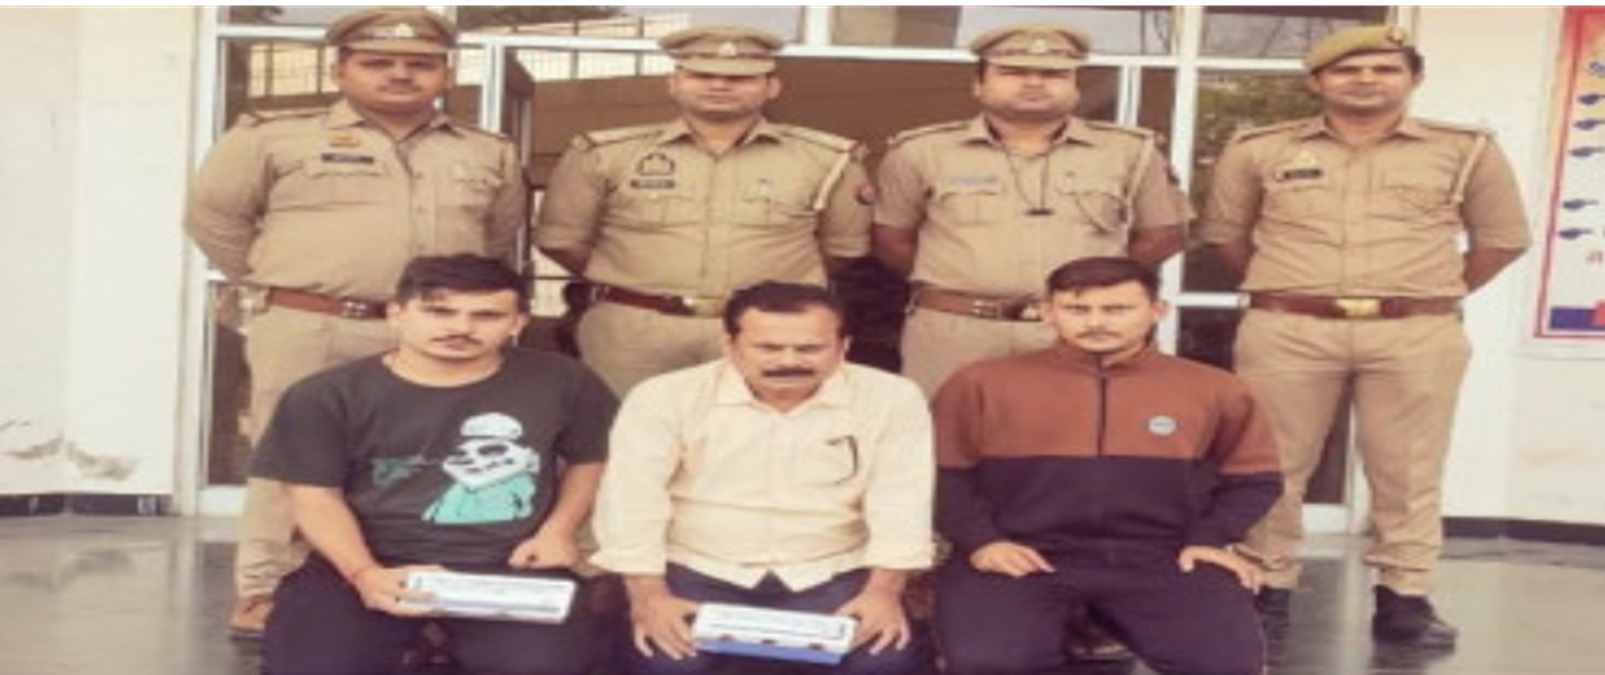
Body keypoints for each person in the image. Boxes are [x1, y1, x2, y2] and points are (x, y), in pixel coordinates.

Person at [183, 7, 528, 638]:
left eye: (420, 63)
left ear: (445, 72)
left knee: (430, 456)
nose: (401, 74)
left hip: (437, 331)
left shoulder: (486, 150)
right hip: (315, 324)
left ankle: (426, 579)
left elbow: (496, 238)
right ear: (339, 70)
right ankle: (267, 587)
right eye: (378, 61)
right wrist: (282, 280)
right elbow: (213, 218)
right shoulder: (273, 138)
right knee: (289, 459)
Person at [1198, 25, 1532, 648]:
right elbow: (1225, 235)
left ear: (1414, 78)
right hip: (1289, 328)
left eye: (1385, 68)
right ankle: (1266, 584)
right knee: (1271, 461)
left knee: (1408, 468)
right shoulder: (1259, 149)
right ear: (1317, 82)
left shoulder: (1466, 151)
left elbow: (1504, 238)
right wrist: (1291, 290)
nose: (1366, 79)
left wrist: (1429, 291)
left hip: (1414, 331)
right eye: (1348, 70)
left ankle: (1405, 596)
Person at [249, 254, 617, 675]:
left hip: (510, 562)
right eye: (439, 312)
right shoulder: (325, 395)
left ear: (518, 323)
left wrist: (559, 531)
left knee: (545, 667)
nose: (462, 328)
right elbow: (315, 497)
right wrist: (363, 572)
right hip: (368, 559)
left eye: (487, 315)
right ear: (396, 314)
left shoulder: (563, 380)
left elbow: (591, 456)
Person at [931, 256, 1282, 675]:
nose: (1096, 322)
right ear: (1048, 312)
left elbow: (1255, 479)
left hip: (1166, 555)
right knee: (990, 662)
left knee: (1225, 664)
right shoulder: (982, 383)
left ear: (1157, 310)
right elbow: (941, 476)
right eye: (1077, 309)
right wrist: (982, 541)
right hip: (1021, 553)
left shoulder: (1214, 389)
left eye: (1117, 309)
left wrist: (1210, 538)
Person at [592, 282, 934, 675]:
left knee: (883, 662)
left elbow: (901, 500)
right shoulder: (664, 397)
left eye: (810, 349)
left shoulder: (891, 398)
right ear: (729, 345)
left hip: (831, 569)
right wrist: (649, 595)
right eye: (768, 348)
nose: (789, 361)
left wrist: (883, 591)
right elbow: (632, 499)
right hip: (698, 566)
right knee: (666, 665)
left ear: (844, 346)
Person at [535, 26, 874, 396]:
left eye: (739, 78)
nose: (719, 85)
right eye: (702, 75)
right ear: (674, 82)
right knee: (628, 428)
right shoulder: (605, 154)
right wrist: (634, 282)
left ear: (772, 87)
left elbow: (842, 251)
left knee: (762, 428)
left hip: (769, 331)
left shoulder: (826, 159)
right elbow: (562, 240)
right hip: (633, 330)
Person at [872, 22, 1192, 396]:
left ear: (1075, 85)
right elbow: (890, 239)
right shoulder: (920, 152)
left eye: (1054, 74)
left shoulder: (1130, 152)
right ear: (978, 84)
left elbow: (1164, 235)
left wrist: (1097, 287)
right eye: (1013, 72)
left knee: (1082, 426)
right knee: (948, 427)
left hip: (1080, 329)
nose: (1034, 83)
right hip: (956, 330)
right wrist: (963, 284)